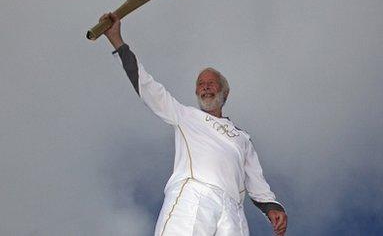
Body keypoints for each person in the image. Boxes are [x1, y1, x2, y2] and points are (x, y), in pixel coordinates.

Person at [100, 12, 287, 236]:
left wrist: (272, 206)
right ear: (196, 91)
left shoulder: (242, 138)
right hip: (195, 195)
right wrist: (118, 42)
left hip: (233, 212)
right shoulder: (185, 115)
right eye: (201, 84)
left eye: (211, 83)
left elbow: (255, 179)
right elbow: (148, 87)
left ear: (224, 92)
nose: (206, 87)